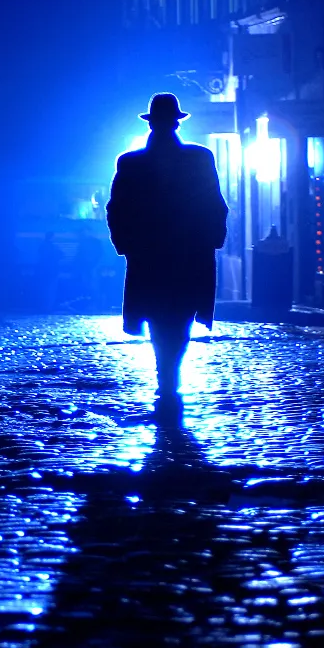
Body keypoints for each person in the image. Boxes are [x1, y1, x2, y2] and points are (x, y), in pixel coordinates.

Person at [106, 93, 228, 415]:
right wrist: (213, 238)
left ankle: (166, 378)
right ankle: (169, 379)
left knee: (161, 319)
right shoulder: (199, 158)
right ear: (176, 122)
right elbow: (214, 204)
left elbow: (116, 210)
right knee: (180, 318)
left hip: (149, 255)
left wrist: (126, 244)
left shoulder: (130, 163)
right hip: (189, 254)